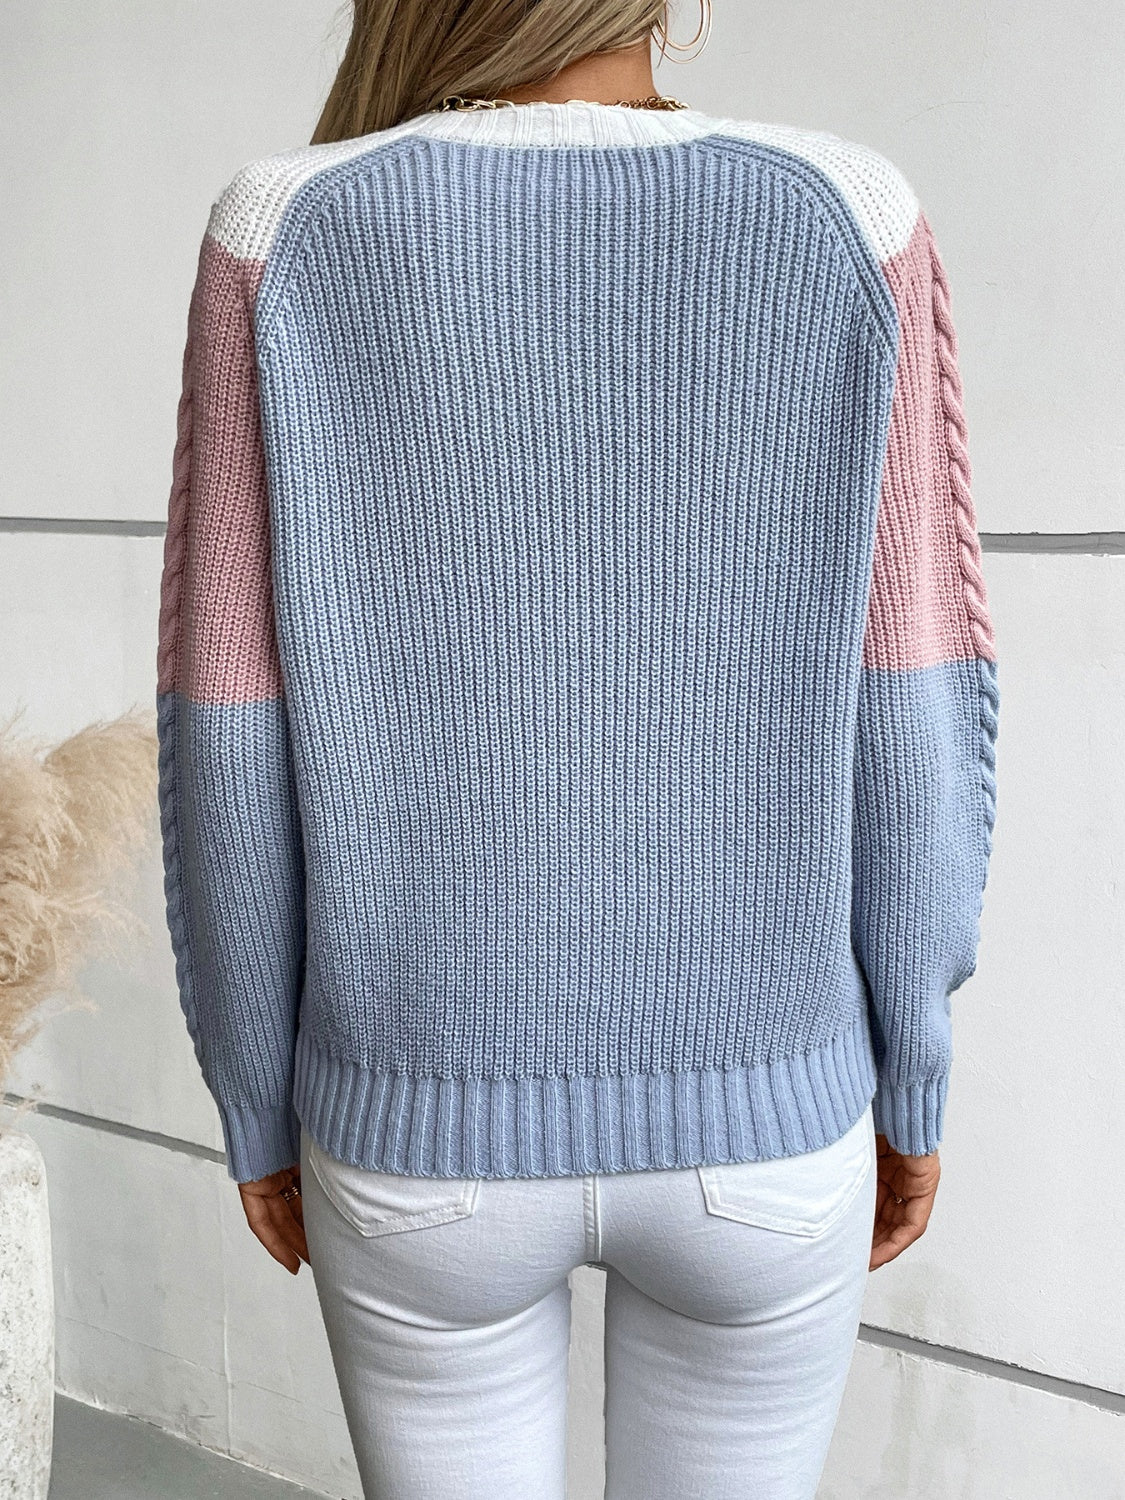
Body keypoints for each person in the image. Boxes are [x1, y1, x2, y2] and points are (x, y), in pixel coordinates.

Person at [154, 0, 1000, 1493]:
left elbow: (230, 729)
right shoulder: (848, 215)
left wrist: (255, 1100)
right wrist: (913, 1070)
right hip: (765, 1125)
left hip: (416, 1135)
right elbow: (913, 705)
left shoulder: (282, 230)